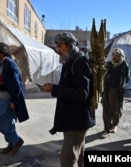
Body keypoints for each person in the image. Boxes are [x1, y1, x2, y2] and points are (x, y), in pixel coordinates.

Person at [39, 32, 95, 167]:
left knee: (68, 159)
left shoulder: (79, 62)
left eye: (60, 46)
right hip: (73, 118)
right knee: (79, 154)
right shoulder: (70, 61)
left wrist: (54, 89)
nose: (57, 49)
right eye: (56, 46)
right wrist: (53, 88)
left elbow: (82, 93)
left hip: (76, 120)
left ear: (69, 45)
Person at [0, 42, 29, 155]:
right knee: (8, 124)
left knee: (1, 124)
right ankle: (11, 143)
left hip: (8, 100)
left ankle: (17, 141)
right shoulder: (1, 63)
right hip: (2, 98)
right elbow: (2, 81)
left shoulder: (10, 65)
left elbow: (17, 86)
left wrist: (13, 101)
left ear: (2, 53)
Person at [101, 47, 130, 138]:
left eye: (117, 56)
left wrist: (122, 85)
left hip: (117, 91)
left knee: (116, 111)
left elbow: (127, 78)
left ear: (121, 57)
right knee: (106, 111)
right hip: (107, 90)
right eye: (113, 55)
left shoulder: (124, 66)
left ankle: (115, 125)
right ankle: (107, 129)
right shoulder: (108, 64)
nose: (114, 57)